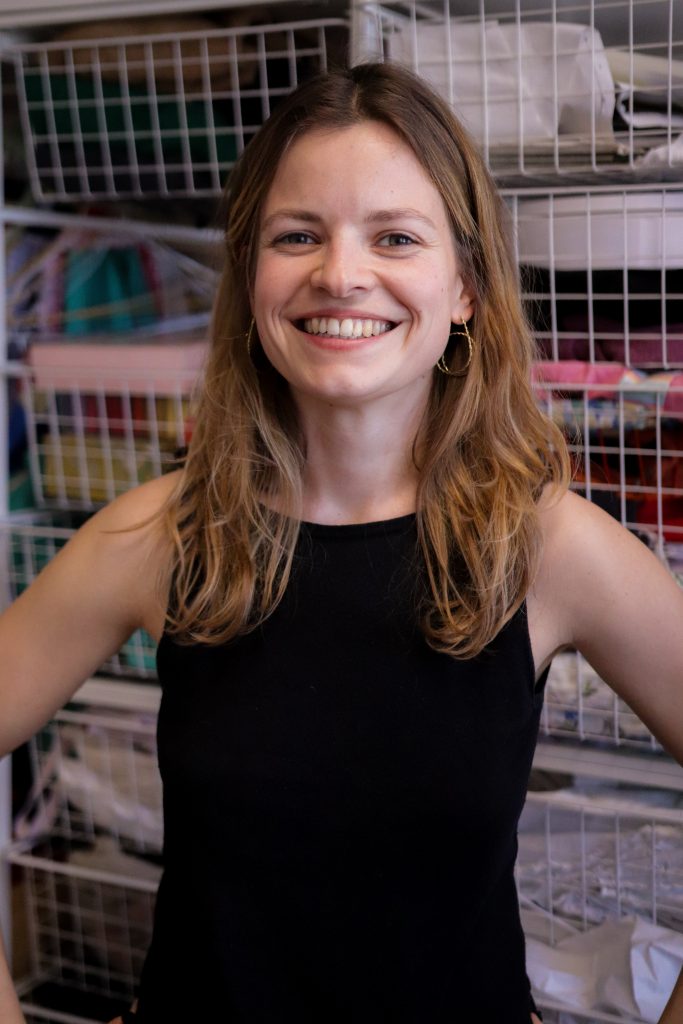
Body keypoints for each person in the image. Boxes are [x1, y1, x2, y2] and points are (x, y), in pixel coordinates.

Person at [2, 61, 683, 1024]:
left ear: (465, 288)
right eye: (297, 235)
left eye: (394, 236)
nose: (339, 273)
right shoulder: (161, 535)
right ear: (251, 278)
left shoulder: (547, 547)